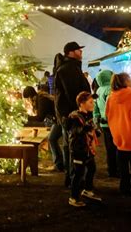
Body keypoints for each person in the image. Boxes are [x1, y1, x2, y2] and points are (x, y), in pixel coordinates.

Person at [54, 42, 91, 187]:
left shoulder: (71, 67)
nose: (81, 52)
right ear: (70, 52)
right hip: (72, 115)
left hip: (71, 114)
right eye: (78, 50)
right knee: (73, 147)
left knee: (72, 146)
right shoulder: (68, 69)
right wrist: (80, 112)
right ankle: (73, 178)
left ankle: (73, 177)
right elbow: (73, 94)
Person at [67, 91, 101, 207]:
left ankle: (87, 189)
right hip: (78, 149)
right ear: (82, 103)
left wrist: (95, 131)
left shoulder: (88, 115)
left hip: (87, 149)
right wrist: (86, 128)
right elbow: (75, 131)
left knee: (92, 168)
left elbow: (90, 131)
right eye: (90, 102)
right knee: (78, 174)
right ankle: (73, 197)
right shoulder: (74, 117)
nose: (93, 104)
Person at [23, 86, 64, 172]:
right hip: (58, 119)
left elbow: (40, 117)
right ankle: (60, 163)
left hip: (60, 119)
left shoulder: (41, 99)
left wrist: (26, 118)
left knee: (52, 139)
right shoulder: (40, 97)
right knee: (52, 139)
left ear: (30, 96)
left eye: (27, 99)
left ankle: (59, 164)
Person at [93, 70, 118, 178]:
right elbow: (111, 106)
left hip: (104, 124)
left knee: (109, 148)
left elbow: (95, 108)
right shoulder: (110, 90)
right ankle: (116, 170)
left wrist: (97, 119)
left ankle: (111, 169)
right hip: (113, 122)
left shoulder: (98, 90)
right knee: (116, 147)